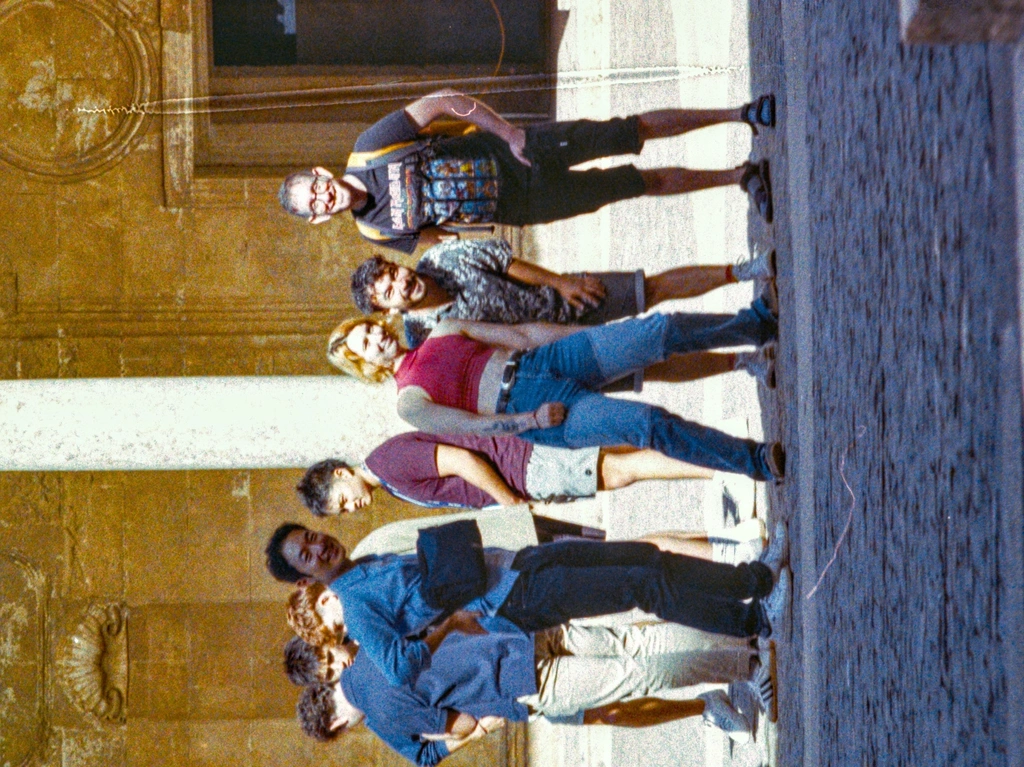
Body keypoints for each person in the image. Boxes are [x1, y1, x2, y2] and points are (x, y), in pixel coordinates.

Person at [263, 522, 791, 686]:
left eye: (311, 536)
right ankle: (755, 617)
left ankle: (754, 579)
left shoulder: (362, 561)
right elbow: (401, 669)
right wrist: (452, 625)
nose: (319, 546)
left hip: (518, 563)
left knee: (644, 557)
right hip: (514, 597)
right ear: (307, 579)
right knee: (640, 586)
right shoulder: (355, 608)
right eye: (307, 555)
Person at [327, 299, 785, 482]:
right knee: (647, 424)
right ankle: (754, 461)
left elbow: (522, 334)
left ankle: (754, 324)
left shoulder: (442, 330)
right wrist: (529, 420)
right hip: (534, 409)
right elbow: (474, 426)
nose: (376, 336)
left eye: (370, 328)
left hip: (543, 361)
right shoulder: (409, 401)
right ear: (365, 365)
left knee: (656, 331)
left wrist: (585, 337)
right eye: (365, 343)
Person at [277, 89, 776, 253]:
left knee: (627, 132)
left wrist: (509, 133)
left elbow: (443, 101)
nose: (324, 197)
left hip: (518, 153)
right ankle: (738, 176)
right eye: (315, 205)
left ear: (321, 173)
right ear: (318, 219)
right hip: (523, 205)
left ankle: (739, 113)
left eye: (316, 188)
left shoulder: (370, 148)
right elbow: (438, 237)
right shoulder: (374, 231)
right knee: (633, 185)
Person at [296, 619, 773, 764]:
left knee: (637, 675)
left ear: (335, 722)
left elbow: (463, 724)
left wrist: (458, 731)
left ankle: (747, 665)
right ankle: (743, 637)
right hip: (511, 633)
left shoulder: (383, 715)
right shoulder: (367, 646)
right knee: (634, 642)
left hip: (521, 683)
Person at [350, 238, 777, 375]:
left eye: (394, 272)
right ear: (387, 311)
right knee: (650, 364)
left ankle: (742, 271)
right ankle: (743, 361)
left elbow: (505, 262)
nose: (401, 283)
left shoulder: (439, 258)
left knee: (650, 289)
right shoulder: (424, 338)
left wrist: (563, 283)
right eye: (388, 292)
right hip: (555, 354)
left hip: (563, 299)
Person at [297, 435, 719, 512]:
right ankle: (712, 459)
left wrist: (509, 501)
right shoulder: (387, 480)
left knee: (617, 471)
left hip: (519, 467)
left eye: (343, 500)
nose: (352, 507)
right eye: (344, 511)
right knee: (614, 460)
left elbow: (462, 461)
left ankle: (716, 468)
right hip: (520, 470)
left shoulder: (388, 463)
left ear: (342, 473)